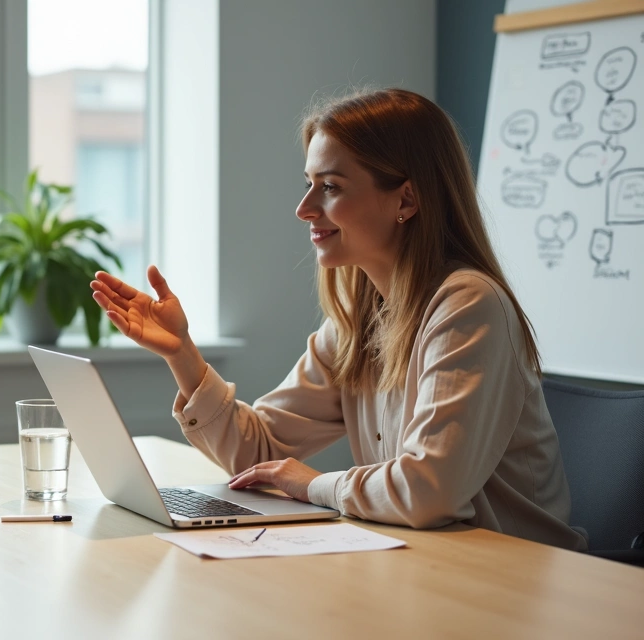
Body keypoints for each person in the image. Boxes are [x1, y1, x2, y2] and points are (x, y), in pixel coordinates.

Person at [91, 88, 586, 551]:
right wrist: (182, 352)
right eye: (309, 185)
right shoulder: (360, 318)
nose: (305, 209)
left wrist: (313, 485)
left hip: (512, 580)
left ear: (406, 200)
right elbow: (258, 451)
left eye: (329, 187)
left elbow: (428, 489)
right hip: (424, 561)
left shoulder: (468, 306)